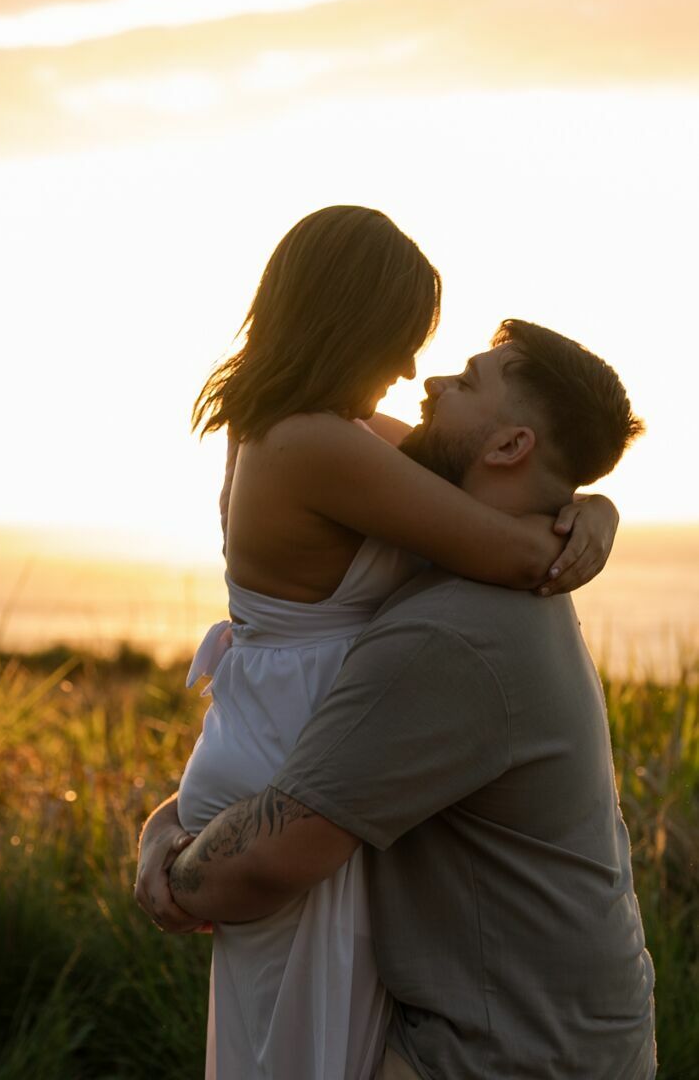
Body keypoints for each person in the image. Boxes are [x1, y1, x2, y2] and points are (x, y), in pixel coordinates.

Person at [149, 207, 619, 1080]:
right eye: (403, 339)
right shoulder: (314, 445)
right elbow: (515, 548)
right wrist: (587, 524)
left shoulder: (318, 433)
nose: (410, 369)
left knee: (304, 1035)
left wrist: (593, 499)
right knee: (308, 1045)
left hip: (291, 741)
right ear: (350, 322)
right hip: (304, 756)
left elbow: (475, 480)